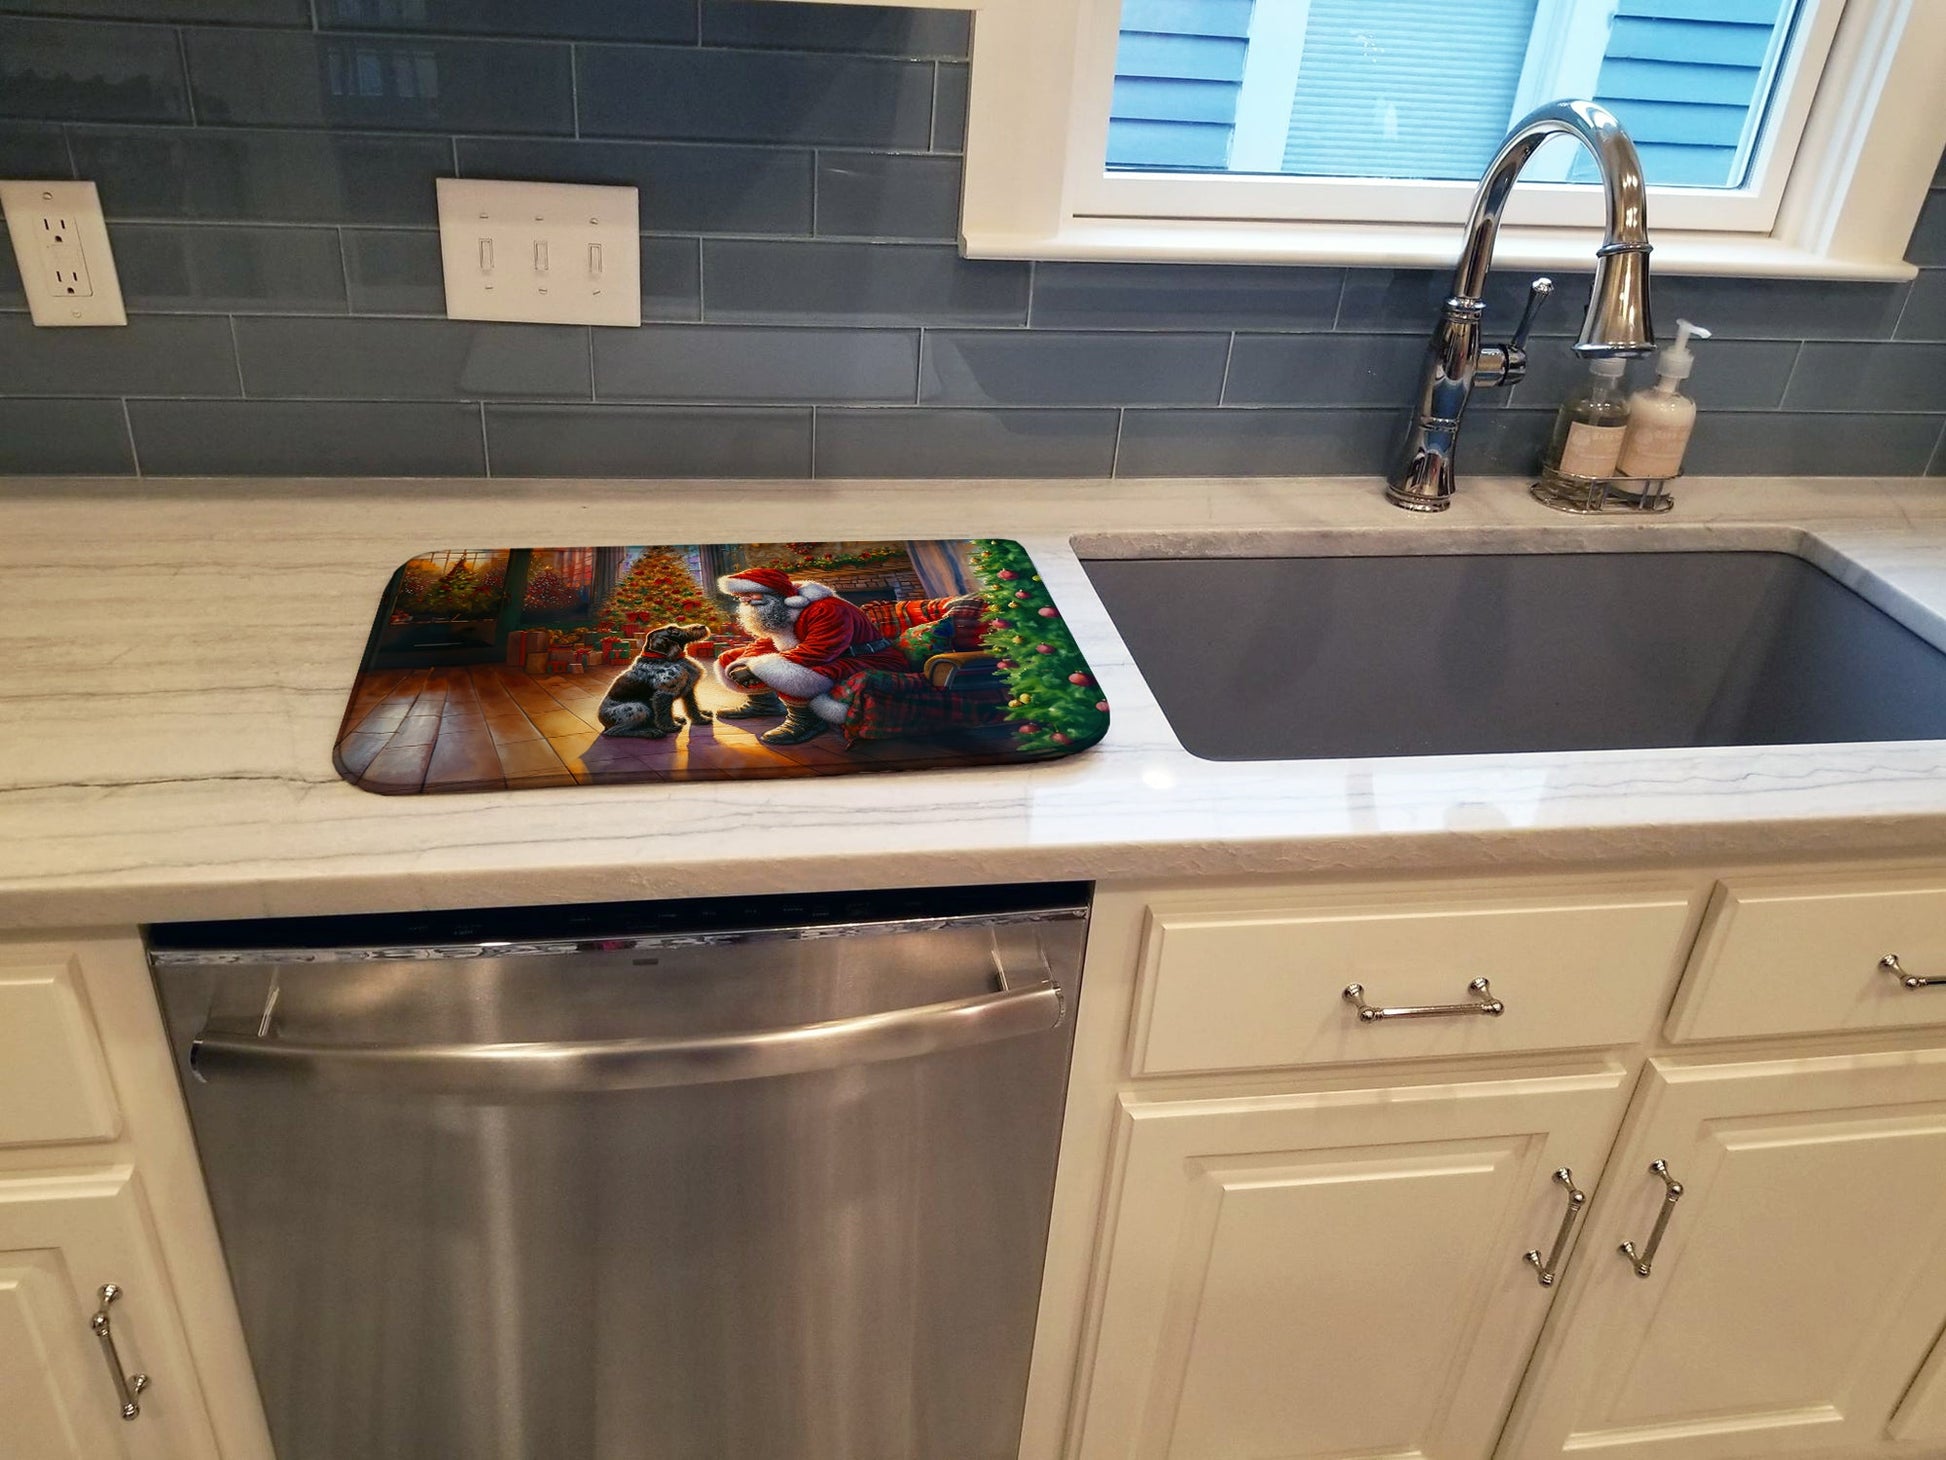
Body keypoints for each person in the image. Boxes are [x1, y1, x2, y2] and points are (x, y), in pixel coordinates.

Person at [713, 567, 909, 746]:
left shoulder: (827, 608)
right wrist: (744, 663)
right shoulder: (779, 607)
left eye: (750, 594)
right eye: (741, 596)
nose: (745, 600)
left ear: (773, 592)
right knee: (731, 659)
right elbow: (768, 642)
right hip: (825, 655)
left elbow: (820, 651)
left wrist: (755, 667)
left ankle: (806, 720)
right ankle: (764, 704)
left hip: (866, 658)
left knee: (783, 669)